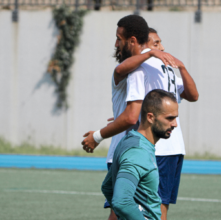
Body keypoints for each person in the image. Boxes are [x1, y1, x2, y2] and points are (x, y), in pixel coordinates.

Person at [81, 15, 199, 220]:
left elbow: (131, 115)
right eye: (157, 43)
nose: (116, 43)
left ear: (133, 40)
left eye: (119, 38)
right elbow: (190, 97)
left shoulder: (137, 68)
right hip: (171, 147)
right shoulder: (167, 68)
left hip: (143, 147)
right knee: (156, 209)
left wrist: (98, 136)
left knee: (122, 208)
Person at [101, 89, 179, 220]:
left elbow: (107, 187)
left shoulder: (129, 141)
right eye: (169, 118)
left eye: (175, 118)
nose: (175, 124)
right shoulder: (138, 152)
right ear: (150, 117)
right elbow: (121, 202)